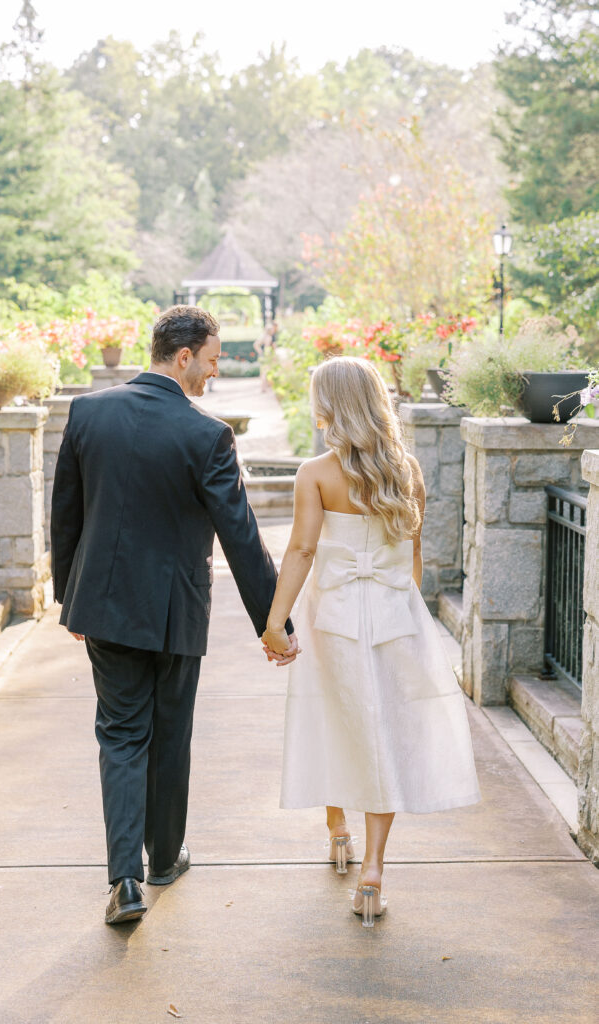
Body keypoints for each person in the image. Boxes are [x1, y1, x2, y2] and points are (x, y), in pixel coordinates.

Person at [51, 305, 298, 925]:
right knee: (170, 732)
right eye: (213, 361)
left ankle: (125, 881)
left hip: (103, 607)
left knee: (120, 733)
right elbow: (241, 536)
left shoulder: (88, 413)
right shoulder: (207, 434)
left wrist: (68, 597)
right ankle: (163, 858)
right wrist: (274, 622)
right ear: (182, 356)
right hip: (175, 611)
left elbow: (66, 515)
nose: (215, 374)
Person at [261, 357, 480, 927]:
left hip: (332, 615)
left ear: (331, 405)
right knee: (382, 730)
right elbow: (412, 555)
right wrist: (400, 610)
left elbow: (302, 552)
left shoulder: (315, 471)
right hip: (393, 617)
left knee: (336, 719)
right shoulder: (404, 469)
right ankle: (374, 871)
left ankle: (337, 831)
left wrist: (276, 621)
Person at [253, 321, 278, 391]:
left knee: (263, 372)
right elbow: (271, 347)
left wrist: (260, 352)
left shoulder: (262, 336)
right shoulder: (269, 337)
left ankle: (264, 387)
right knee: (266, 371)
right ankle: (265, 387)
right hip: (267, 355)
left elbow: (256, 345)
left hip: (263, 356)